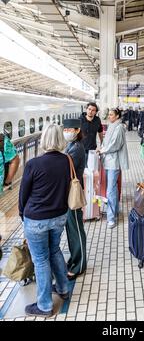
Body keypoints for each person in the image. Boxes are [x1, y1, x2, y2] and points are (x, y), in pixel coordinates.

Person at [19, 124, 70, 317]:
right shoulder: (67, 160)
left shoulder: (34, 164)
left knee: (40, 260)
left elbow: (23, 194)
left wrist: (22, 214)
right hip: (59, 216)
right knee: (54, 249)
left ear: (44, 140)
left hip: (37, 218)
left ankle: (45, 305)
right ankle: (63, 289)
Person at [63, 118, 87, 281]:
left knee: (76, 229)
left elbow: (65, 167)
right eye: (65, 130)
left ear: (77, 130)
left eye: (70, 129)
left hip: (73, 195)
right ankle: (74, 259)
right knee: (71, 230)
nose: (67, 132)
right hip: (67, 193)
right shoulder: (70, 146)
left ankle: (80, 265)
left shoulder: (77, 148)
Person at [99, 108, 129, 229]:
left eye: (111, 115)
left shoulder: (119, 127)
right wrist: (101, 148)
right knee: (113, 188)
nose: (109, 116)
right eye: (109, 115)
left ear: (117, 116)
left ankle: (111, 218)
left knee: (110, 190)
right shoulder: (112, 126)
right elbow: (106, 142)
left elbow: (115, 144)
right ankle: (115, 211)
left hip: (114, 162)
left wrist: (102, 150)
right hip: (108, 161)